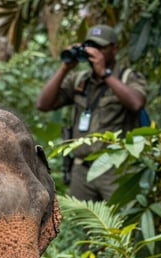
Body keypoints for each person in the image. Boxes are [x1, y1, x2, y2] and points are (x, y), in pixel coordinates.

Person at [36, 24, 147, 201]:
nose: (95, 51)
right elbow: (43, 104)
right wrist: (65, 68)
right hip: (82, 170)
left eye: (101, 47)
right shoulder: (80, 80)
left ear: (115, 49)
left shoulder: (127, 77)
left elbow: (136, 103)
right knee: (81, 225)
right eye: (91, 46)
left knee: (120, 225)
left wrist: (105, 74)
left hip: (115, 169)